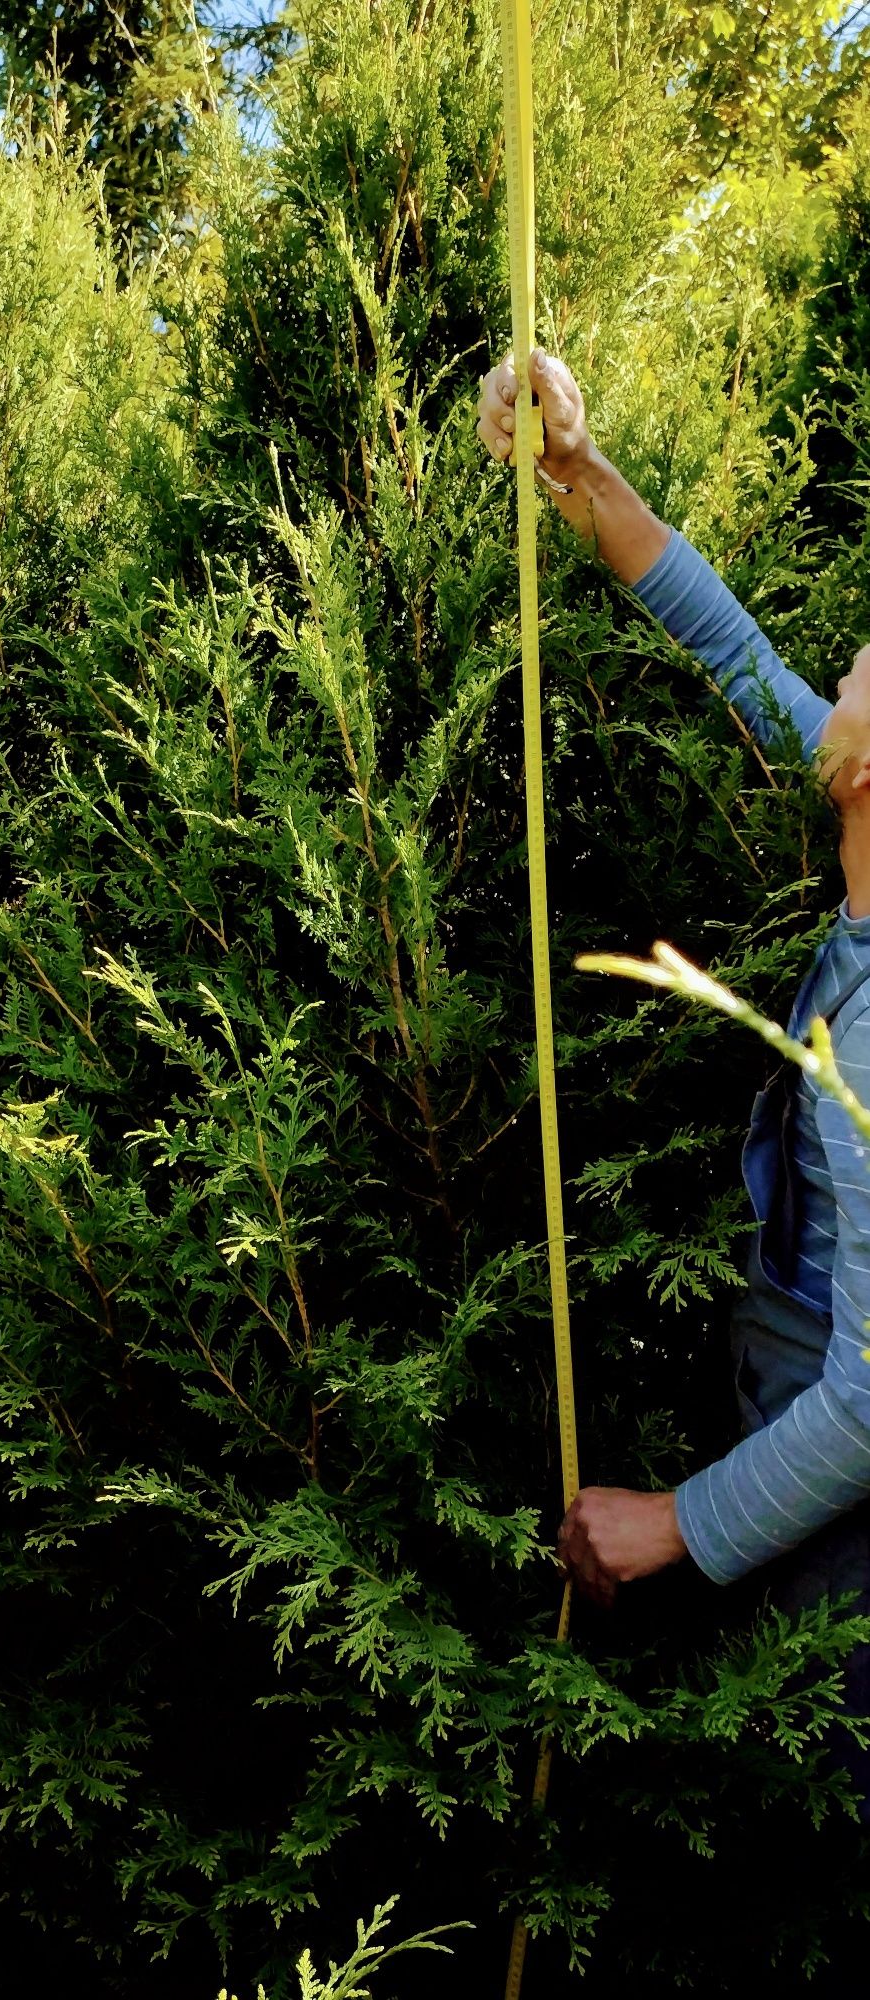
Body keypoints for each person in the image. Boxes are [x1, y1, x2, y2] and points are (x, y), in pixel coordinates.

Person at [474, 350, 870, 1819]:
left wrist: (675, 1529)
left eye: (861, 676)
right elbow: (721, 642)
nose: (832, 674)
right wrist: (571, 466)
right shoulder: (857, 869)